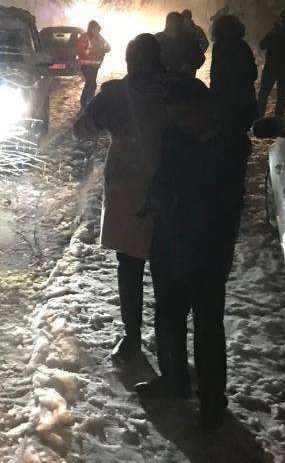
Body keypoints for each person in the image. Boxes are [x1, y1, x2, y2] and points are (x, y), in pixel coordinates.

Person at [135, 79, 249, 430]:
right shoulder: (175, 137)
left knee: (207, 325)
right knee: (168, 316)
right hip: (170, 244)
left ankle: (212, 401)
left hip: (207, 249)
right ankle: (174, 380)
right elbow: (163, 178)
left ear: (204, 108)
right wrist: (152, 204)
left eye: (186, 114)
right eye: (175, 114)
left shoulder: (229, 145)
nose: (180, 120)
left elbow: (219, 200)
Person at [74, 34, 167, 364]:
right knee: (162, 265)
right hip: (168, 184)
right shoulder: (176, 91)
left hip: (131, 182)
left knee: (131, 262)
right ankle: (165, 341)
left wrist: (96, 115)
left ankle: (133, 336)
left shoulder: (116, 94)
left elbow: (82, 130)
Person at [209, 13, 258, 137]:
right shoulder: (242, 46)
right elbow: (252, 73)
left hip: (225, 99)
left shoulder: (219, 47)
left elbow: (215, 76)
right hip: (242, 98)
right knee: (240, 134)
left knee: (227, 134)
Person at [258, 9, 285, 118]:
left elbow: (262, 45)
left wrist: (274, 33)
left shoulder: (274, 31)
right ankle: (277, 118)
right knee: (281, 95)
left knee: (264, 93)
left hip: (272, 67)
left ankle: (259, 117)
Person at [155, 12, 204, 80]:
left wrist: (189, 65)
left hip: (185, 79)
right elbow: (151, 59)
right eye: (172, 22)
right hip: (165, 81)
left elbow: (199, 58)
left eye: (176, 22)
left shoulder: (189, 39)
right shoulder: (158, 39)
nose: (174, 25)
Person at [76, 20, 111, 110]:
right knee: (90, 83)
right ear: (91, 28)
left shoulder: (99, 37)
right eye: (96, 29)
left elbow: (108, 47)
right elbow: (81, 51)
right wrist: (95, 50)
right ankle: (85, 103)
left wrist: (103, 49)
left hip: (95, 66)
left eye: (98, 30)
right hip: (86, 65)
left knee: (92, 84)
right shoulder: (84, 38)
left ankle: (89, 103)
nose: (97, 31)